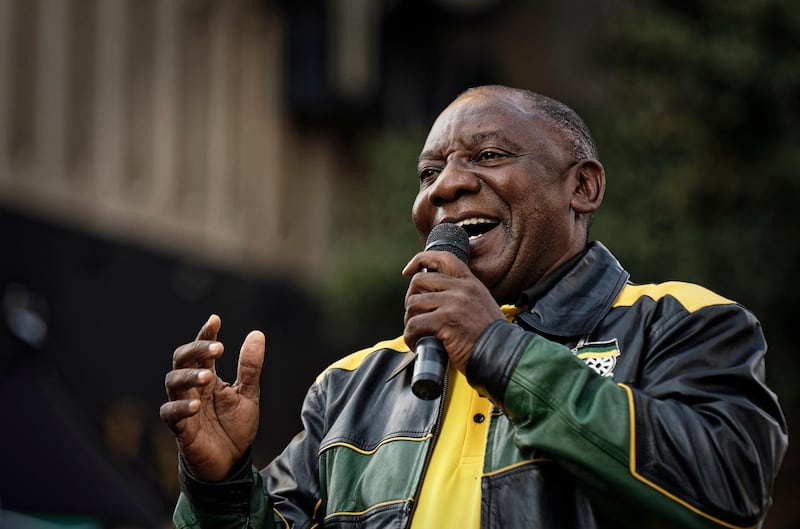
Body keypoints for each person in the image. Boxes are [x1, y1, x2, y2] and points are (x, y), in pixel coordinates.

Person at [160, 85, 788, 529]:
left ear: (583, 187)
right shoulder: (354, 386)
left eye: (488, 156)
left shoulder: (677, 321)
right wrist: (221, 490)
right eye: (429, 172)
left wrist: (496, 348)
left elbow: (727, 489)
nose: (448, 185)